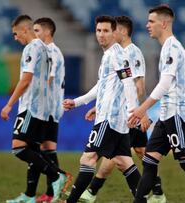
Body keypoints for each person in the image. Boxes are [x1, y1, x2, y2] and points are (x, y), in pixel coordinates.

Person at [62, 15, 150, 203]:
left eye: (106, 31)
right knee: (123, 162)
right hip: (116, 121)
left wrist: (136, 111)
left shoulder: (116, 54)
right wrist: (77, 102)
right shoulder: (111, 54)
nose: (101, 35)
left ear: (114, 33)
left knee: (88, 159)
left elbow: (128, 83)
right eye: (98, 30)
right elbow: (101, 85)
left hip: (109, 119)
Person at [79, 15, 167, 203]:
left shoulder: (132, 53)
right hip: (123, 112)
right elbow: (109, 86)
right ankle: (155, 194)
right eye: (101, 30)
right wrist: (98, 105)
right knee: (127, 156)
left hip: (127, 114)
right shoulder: (115, 53)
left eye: (113, 30)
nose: (108, 34)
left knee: (122, 155)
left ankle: (92, 191)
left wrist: (139, 112)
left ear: (123, 32)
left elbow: (138, 86)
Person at [128, 5, 185, 203]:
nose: (147, 25)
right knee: (149, 162)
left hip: (176, 115)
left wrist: (142, 109)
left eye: (151, 21)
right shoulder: (167, 48)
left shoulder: (172, 47)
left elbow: (165, 84)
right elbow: (183, 85)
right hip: (166, 116)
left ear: (163, 23)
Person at [1, 15, 68, 203]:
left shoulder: (32, 48)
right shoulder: (44, 48)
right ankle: (31, 195)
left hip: (32, 106)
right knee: (35, 150)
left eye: (15, 34)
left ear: (24, 30)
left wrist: (9, 104)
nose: (15, 38)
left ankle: (56, 176)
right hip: (44, 108)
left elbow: (27, 79)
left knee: (19, 148)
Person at [32, 17, 72, 203]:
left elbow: (50, 77)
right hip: (52, 108)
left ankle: (57, 183)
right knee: (47, 149)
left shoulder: (52, 52)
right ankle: (51, 194)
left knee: (34, 149)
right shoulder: (53, 51)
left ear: (47, 32)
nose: (35, 35)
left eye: (37, 31)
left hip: (47, 108)